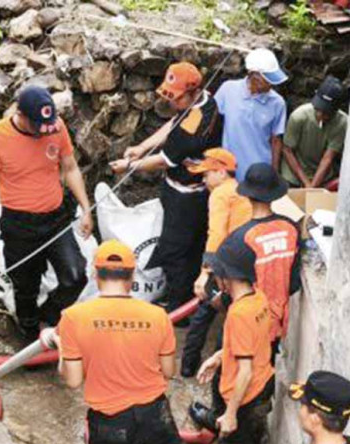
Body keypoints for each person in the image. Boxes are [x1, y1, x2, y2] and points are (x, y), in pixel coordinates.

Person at [55, 239, 214, 444]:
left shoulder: (73, 318)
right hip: (154, 413)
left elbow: (71, 380)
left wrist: (62, 349)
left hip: (110, 421)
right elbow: (169, 371)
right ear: (131, 276)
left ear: (96, 274)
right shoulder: (157, 316)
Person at [0, 85, 92, 343]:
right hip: (19, 224)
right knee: (25, 287)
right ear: (22, 115)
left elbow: (70, 167)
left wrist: (86, 209)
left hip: (56, 219)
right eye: (38, 125)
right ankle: (29, 331)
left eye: (48, 124)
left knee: (75, 276)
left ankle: (48, 316)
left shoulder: (55, 127)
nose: (44, 131)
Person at [110, 62, 221, 314]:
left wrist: (129, 165)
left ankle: (178, 308)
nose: (172, 103)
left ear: (193, 92)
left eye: (177, 98)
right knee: (189, 245)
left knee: (174, 251)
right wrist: (142, 147)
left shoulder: (194, 128)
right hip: (182, 189)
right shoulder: (205, 101)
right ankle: (185, 299)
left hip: (187, 195)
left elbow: (163, 160)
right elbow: (173, 123)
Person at [194, 234, 275, 444]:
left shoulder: (240, 313)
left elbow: (242, 371)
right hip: (262, 385)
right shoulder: (258, 300)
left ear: (227, 278)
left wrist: (228, 414)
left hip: (244, 397)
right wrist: (218, 356)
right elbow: (249, 349)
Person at [187, 163, 300, 397]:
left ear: (247, 196)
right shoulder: (290, 229)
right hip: (276, 321)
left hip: (246, 321)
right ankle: (257, 406)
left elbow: (227, 291)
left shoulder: (238, 241)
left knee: (230, 372)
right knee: (262, 368)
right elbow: (294, 282)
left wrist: (219, 300)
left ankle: (227, 415)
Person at [180, 147, 252, 377]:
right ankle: (223, 362)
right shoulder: (243, 191)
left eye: (206, 174)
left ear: (221, 172)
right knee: (232, 314)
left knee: (203, 312)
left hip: (225, 265)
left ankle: (189, 365)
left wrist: (205, 272)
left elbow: (217, 233)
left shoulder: (221, 194)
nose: (204, 179)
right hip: (245, 264)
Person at [215, 48, 287, 182]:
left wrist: (274, 172)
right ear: (253, 75)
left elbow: (276, 140)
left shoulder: (278, 103)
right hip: (230, 170)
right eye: (267, 79)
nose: (271, 84)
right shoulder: (228, 90)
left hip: (260, 172)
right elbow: (212, 123)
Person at [282, 76, 348, 189]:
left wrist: (312, 187)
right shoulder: (299, 117)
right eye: (318, 109)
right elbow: (287, 150)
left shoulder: (342, 122)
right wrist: (306, 183)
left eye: (326, 112)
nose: (320, 115)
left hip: (323, 176)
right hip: (294, 175)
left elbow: (328, 157)